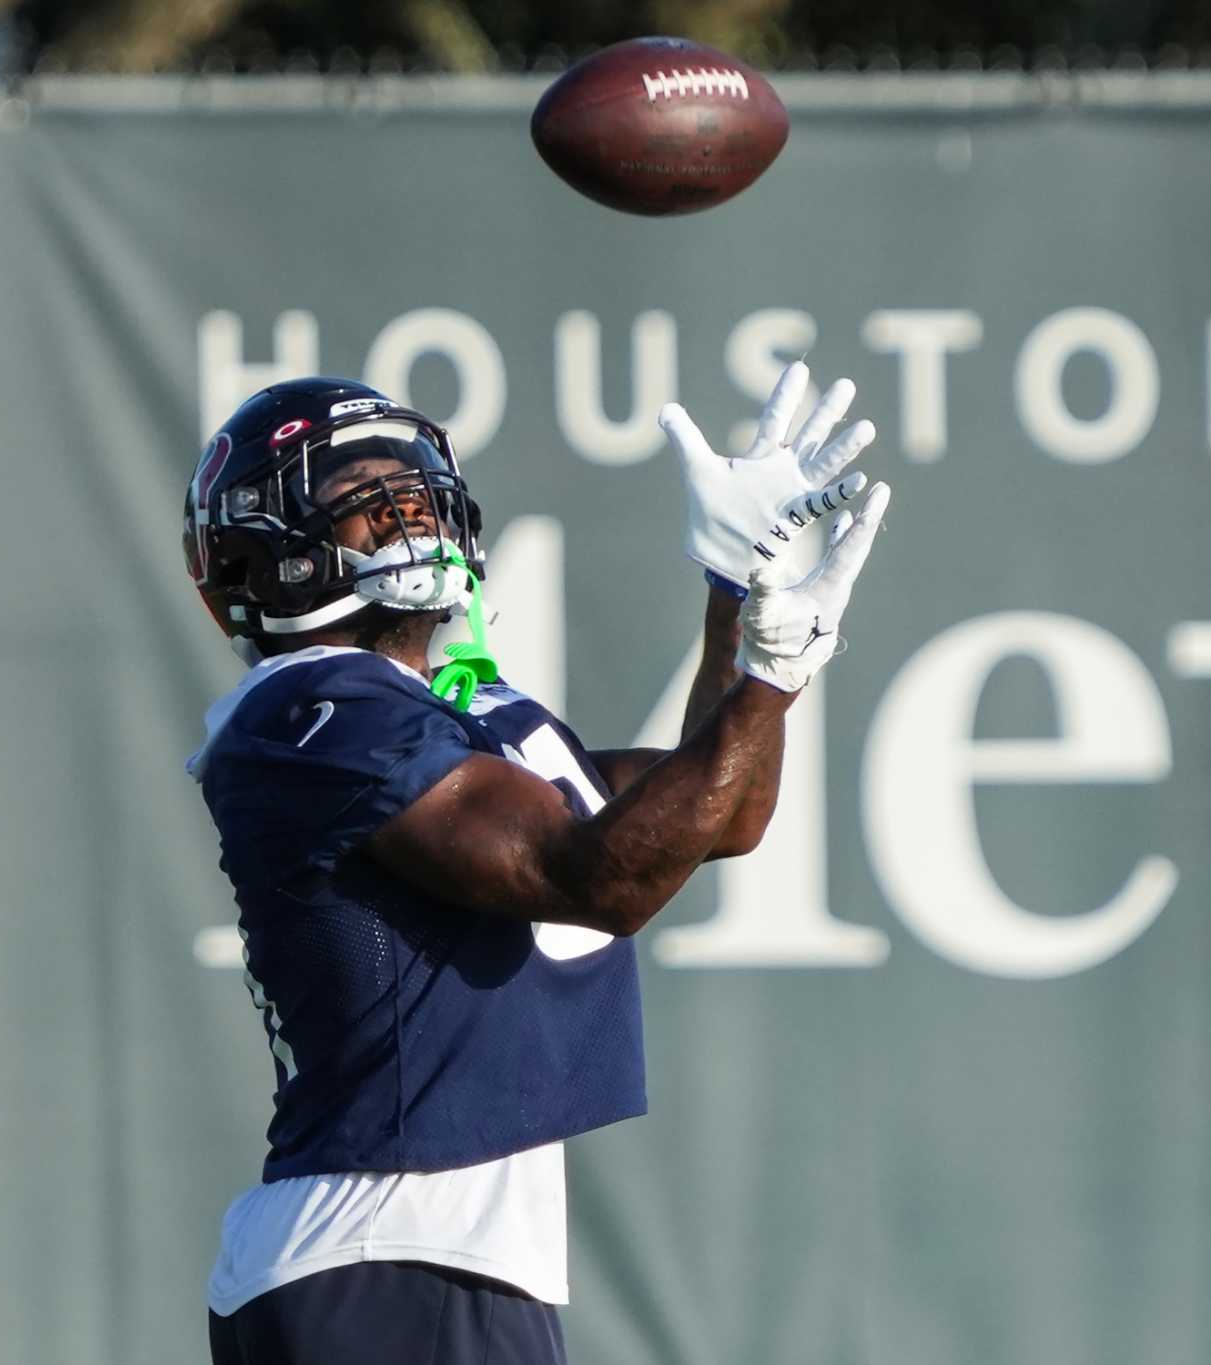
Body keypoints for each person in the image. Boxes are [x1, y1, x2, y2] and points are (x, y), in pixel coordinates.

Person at [180, 362, 889, 1365]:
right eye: (354, 497)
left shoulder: (456, 720)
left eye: (411, 486)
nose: (402, 512)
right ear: (259, 562)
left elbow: (715, 813)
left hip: (434, 1264)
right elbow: (600, 880)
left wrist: (737, 591)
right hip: (387, 1251)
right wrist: (767, 677)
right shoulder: (310, 704)